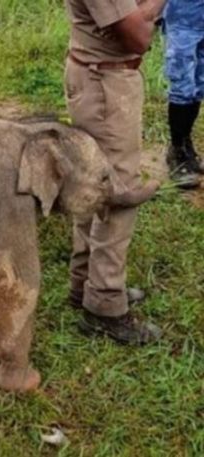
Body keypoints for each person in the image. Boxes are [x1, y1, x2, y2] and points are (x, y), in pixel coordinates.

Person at [64, 0, 166, 344]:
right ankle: (104, 304)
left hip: (98, 76)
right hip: (105, 84)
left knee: (90, 185)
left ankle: (84, 283)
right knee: (118, 193)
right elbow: (138, 35)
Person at [162, 0, 204, 188]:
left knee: (199, 84)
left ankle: (187, 147)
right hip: (183, 16)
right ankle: (177, 150)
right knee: (183, 85)